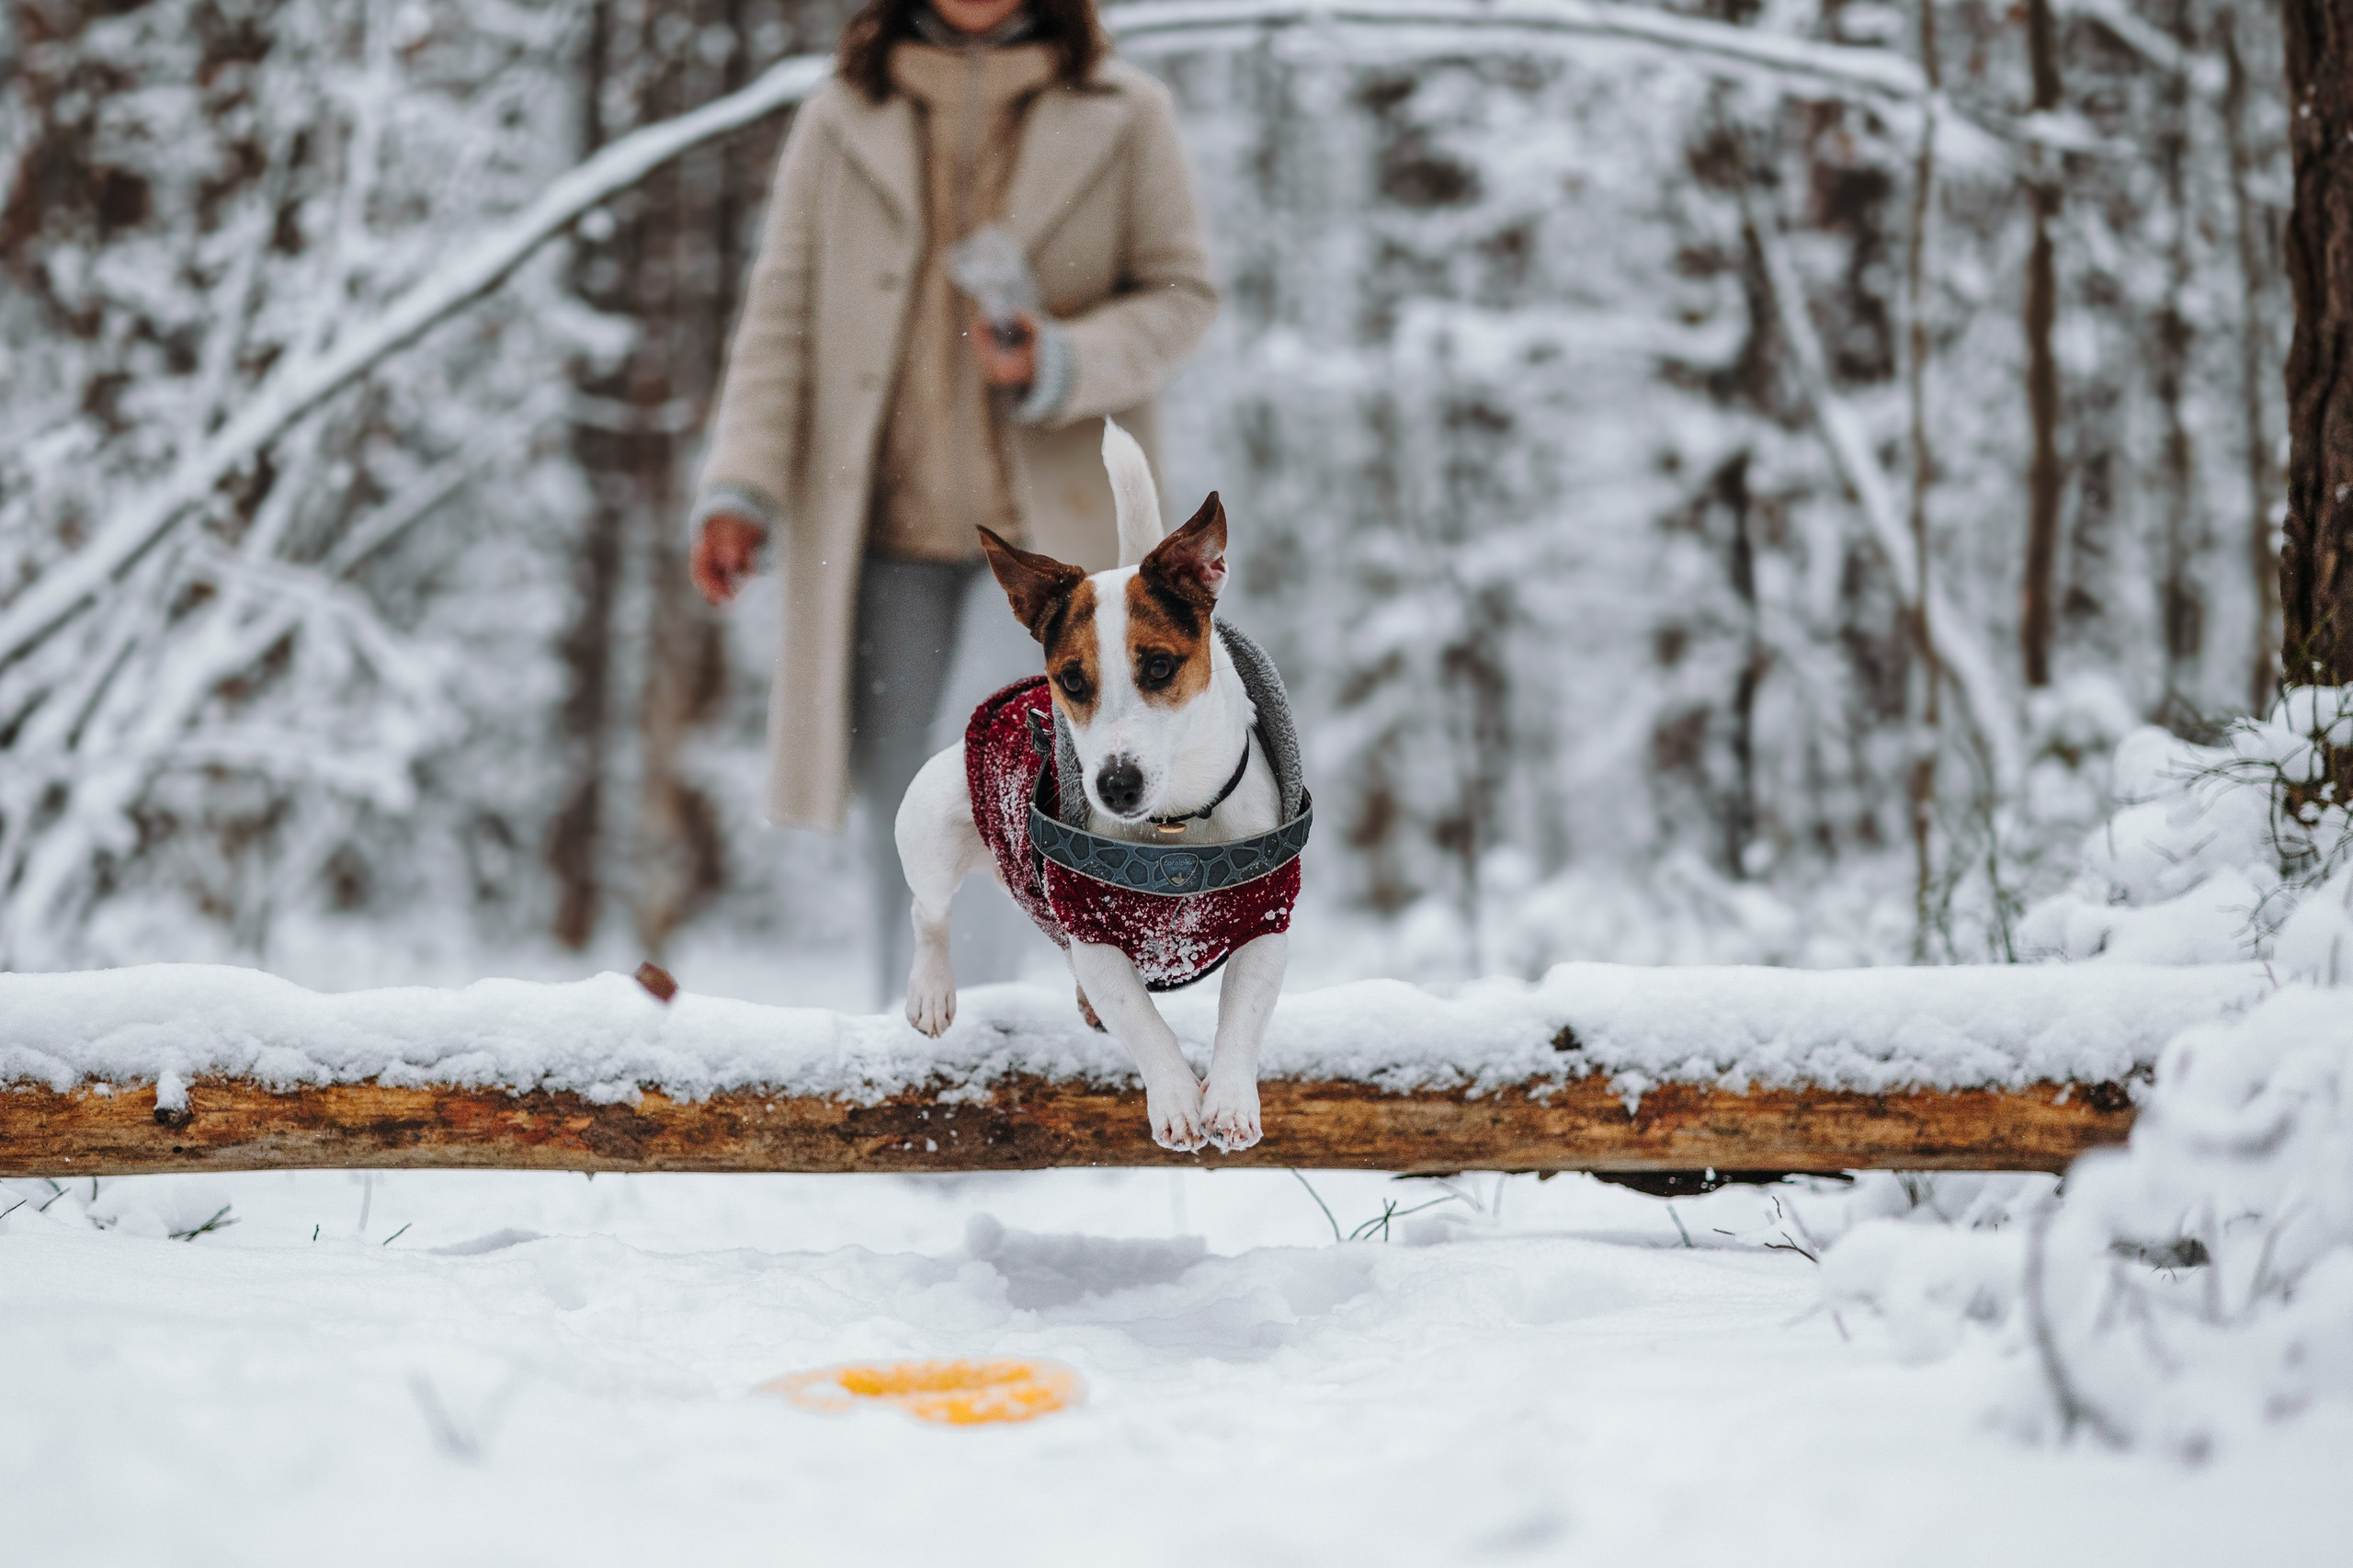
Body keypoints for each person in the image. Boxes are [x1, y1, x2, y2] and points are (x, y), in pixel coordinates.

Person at [688, 0, 1218, 1003]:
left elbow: (1183, 296)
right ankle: (914, 1069)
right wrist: (738, 486)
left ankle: (958, 1118)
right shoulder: (842, 114)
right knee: (906, 815)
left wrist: (1064, 358)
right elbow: (780, 314)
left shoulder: (1125, 111)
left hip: (1053, 551)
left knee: (994, 800)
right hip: (881, 528)